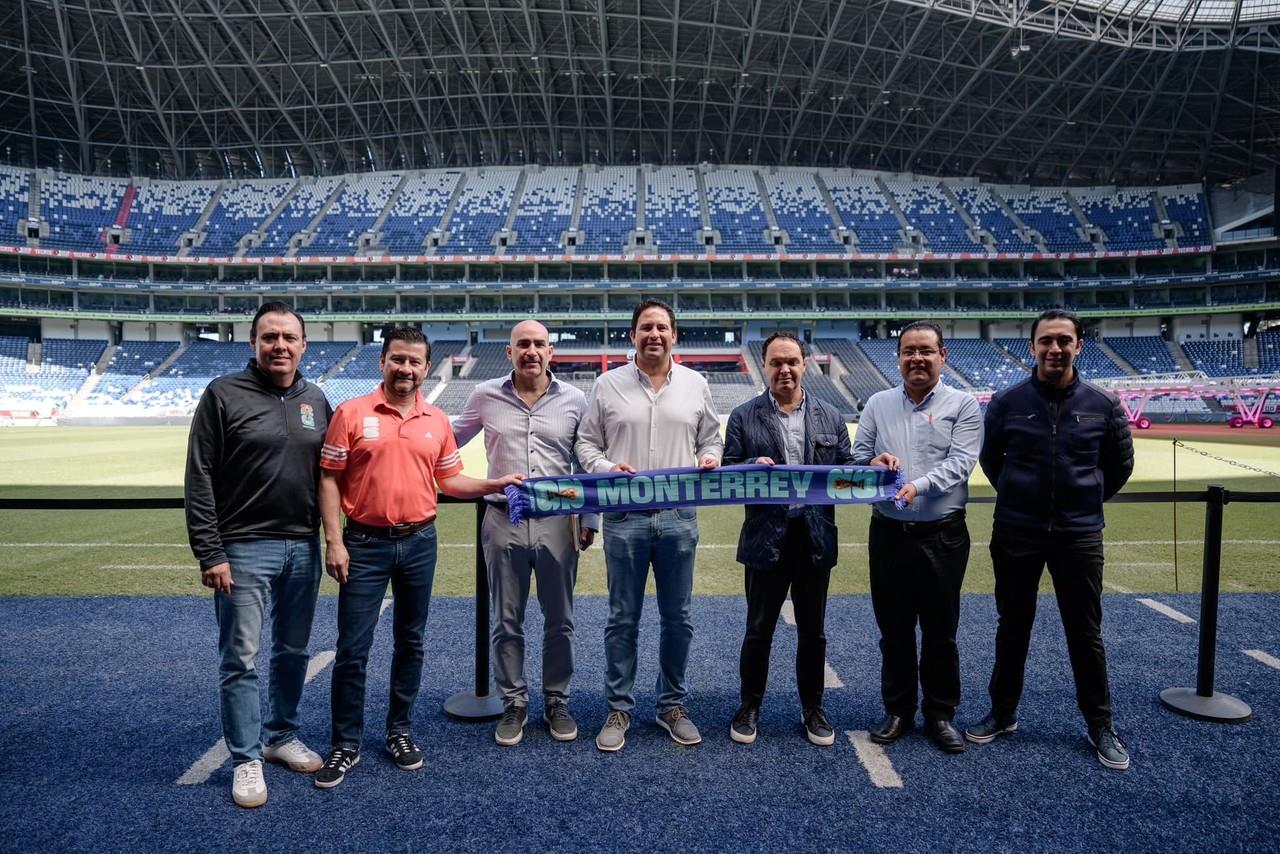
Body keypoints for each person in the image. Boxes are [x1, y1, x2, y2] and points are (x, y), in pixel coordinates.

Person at [313, 326, 522, 788]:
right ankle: (345, 743)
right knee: (353, 649)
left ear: (427, 368)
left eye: (414, 362)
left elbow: (451, 482)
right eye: (397, 359)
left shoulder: (436, 420)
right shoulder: (351, 413)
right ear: (382, 361)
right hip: (364, 544)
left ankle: (399, 731)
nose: (405, 369)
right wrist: (334, 540)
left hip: (420, 541)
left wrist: (494, 483)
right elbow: (329, 479)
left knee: (412, 641)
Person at [965, 309, 1135, 770]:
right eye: (1046, 341)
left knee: (1085, 633)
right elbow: (991, 461)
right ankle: (1003, 713)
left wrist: (1082, 502)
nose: (1054, 349)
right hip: (1016, 531)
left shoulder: (1104, 404)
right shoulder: (1006, 402)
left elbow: (1119, 467)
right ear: (1032, 346)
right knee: (1012, 626)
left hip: (1079, 536)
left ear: (1079, 345)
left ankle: (1100, 724)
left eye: (1064, 340)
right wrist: (1023, 498)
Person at [185, 301, 333, 808]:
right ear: (253, 343)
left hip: (303, 547)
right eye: (270, 337)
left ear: (303, 345)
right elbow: (199, 477)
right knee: (240, 659)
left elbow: (330, 476)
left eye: (289, 337)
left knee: (293, 652)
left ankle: (280, 736)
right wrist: (210, 551)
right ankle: (246, 759)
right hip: (243, 548)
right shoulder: (222, 394)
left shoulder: (316, 398)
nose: (280, 346)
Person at [575, 299, 723, 752]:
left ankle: (671, 705)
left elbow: (711, 435)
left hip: (679, 518)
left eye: (662, 327)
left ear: (674, 335)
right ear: (633, 335)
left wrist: (710, 456)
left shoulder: (696, 384)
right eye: (645, 327)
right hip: (625, 518)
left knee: (678, 617)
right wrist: (604, 466)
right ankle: (619, 708)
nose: (654, 334)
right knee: (623, 618)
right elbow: (585, 442)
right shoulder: (607, 385)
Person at [451, 320, 598, 747]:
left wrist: (590, 520)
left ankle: (557, 700)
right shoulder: (484, 396)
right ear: (510, 352)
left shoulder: (574, 399)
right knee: (506, 620)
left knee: (561, 620)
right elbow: (447, 441)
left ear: (551, 351)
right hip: (503, 519)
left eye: (539, 344)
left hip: (558, 522)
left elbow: (585, 461)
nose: (531, 351)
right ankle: (514, 701)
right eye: (523, 344)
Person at [852, 321, 982, 754]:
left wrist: (917, 485)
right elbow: (857, 456)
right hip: (888, 531)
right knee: (894, 629)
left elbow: (962, 463)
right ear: (899, 357)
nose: (917, 359)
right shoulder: (877, 402)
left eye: (926, 351)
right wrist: (875, 460)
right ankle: (899, 710)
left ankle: (941, 714)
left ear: (943, 355)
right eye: (909, 351)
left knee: (941, 630)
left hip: (942, 535)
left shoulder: (963, 405)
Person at [722, 332, 854, 746]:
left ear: (804, 364)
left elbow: (850, 471)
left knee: (813, 632)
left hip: (814, 538)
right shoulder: (743, 416)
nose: (785, 369)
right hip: (766, 539)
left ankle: (813, 708)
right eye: (776, 362)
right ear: (764, 365)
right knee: (758, 629)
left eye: (792, 361)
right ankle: (749, 706)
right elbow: (727, 472)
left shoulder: (831, 416)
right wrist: (748, 467)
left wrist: (877, 468)